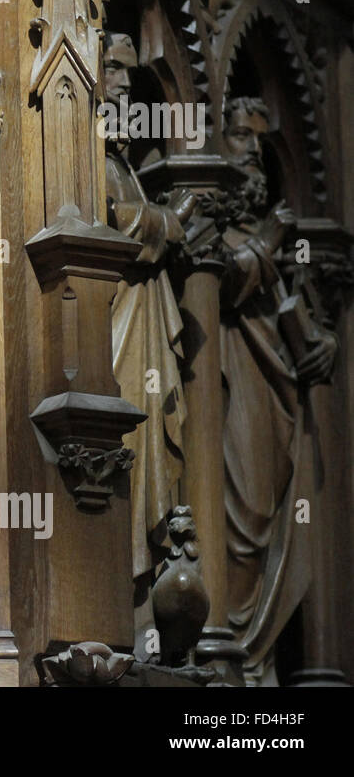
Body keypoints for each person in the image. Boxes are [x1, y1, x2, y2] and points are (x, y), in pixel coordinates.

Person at [218, 96, 334, 680]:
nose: (253, 154)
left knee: (272, 515)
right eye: (241, 137)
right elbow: (220, 283)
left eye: (261, 143)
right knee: (243, 513)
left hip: (278, 389)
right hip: (227, 378)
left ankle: (256, 660)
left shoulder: (275, 234)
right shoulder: (210, 213)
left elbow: (311, 309)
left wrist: (323, 344)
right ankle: (229, 649)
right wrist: (266, 238)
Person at [99, 32, 194, 642]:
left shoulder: (124, 162)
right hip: (114, 328)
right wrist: (171, 222)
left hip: (143, 330)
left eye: (128, 77)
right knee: (122, 451)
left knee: (147, 446)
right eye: (110, 68)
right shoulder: (83, 148)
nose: (121, 85)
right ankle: (113, 607)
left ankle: (140, 614)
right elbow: (102, 215)